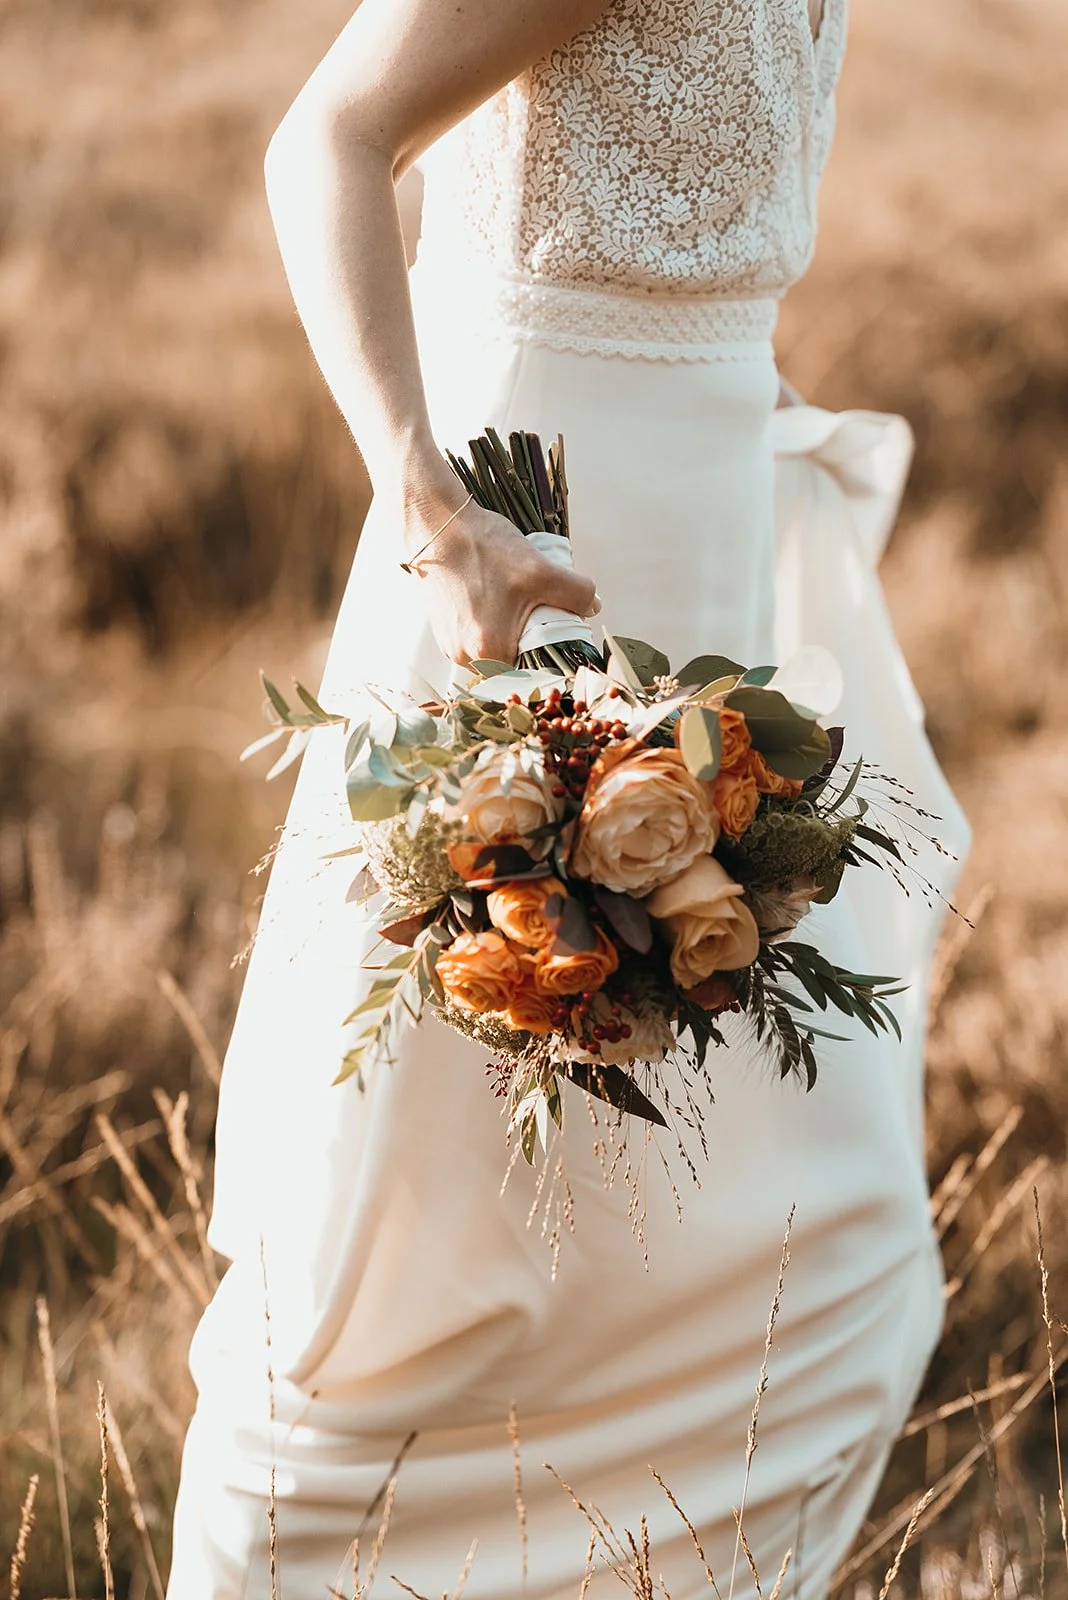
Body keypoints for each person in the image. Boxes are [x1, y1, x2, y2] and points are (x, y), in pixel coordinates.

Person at [167, 2, 973, 1595]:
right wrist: (426, 502)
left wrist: (739, 451)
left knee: (837, 1242)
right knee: (420, 1227)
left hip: (711, 531)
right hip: (527, 558)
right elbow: (322, 140)